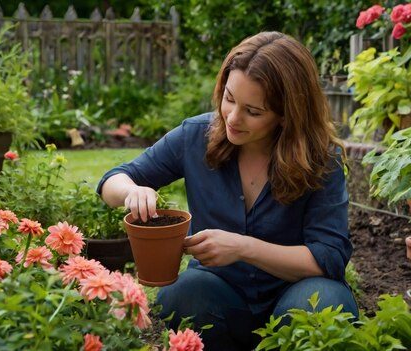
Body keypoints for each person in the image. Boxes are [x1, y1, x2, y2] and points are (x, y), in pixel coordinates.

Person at [96, 31, 358, 351]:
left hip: (295, 294)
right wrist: (131, 192)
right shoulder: (196, 135)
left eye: (254, 111)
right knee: (182, 293)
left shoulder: (321, 158)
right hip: (220, 297)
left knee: (325, 301)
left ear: (287, 114)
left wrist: (244, 247)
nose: (233, 118)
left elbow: (329, 258)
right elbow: (113, 179)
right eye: (230, 98)